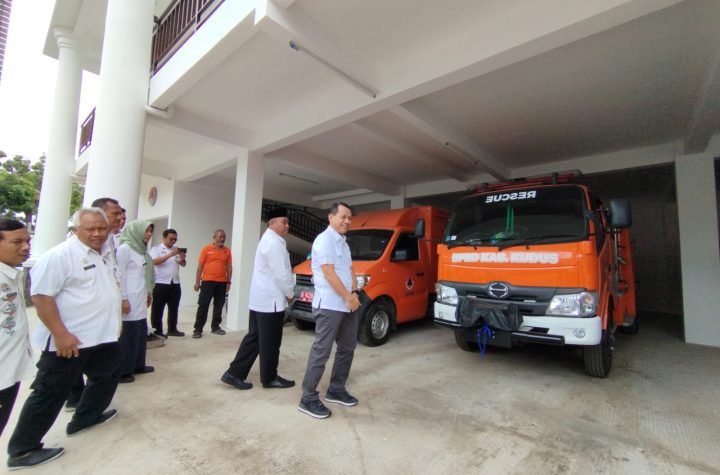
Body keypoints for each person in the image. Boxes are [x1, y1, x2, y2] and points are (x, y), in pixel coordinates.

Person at [6, 208, 123, 470]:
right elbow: (41, 297)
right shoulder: (60, 255)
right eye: (90, 229)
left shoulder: (102, 253)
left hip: (103, 336)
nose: (96, 234)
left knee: (107, 375)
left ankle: (86, 417)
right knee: (50, 391)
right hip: (71, 339)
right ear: (76, 229)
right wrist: (61, 334)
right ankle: (22, 450)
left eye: (101, 228)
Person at [298, 202, 361, 419]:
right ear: (330, 217)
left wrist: (354, 293)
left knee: (347, 347)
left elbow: (350, 269)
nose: (347, 221)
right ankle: (307, 398)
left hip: (347, 304)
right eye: (343, 216)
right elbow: (329, 274)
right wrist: (347, 297)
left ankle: (336, 388)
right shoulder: (324, 241)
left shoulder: (344, 243)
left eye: (350, 218)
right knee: (321, 351)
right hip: (329, 305)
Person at [221, 208, 295, 391]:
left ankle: (234, 373)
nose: (287, 225)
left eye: (287, 222)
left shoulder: (270, 240)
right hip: (270, 301)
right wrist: (290, 293)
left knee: (255, 337)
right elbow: (281, 274)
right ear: (271, 223)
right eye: (283, 221)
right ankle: (269, 378)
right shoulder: (274, 243)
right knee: (270, 341)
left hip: (261, 299)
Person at [0, 220, 34, 438]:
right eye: (17, 242)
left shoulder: (11, 274)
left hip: (9, 371)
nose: (25, 247)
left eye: (28, 241)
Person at [117, 220, 156, 383]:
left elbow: (144, 275)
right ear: (137, 231)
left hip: (140, 297)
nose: (149, 234)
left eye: (150, 231)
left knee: (140, 333)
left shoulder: (141, 251)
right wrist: (123, 298)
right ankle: (124, 370)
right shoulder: (125, 249)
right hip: (129, 298)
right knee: (129, 335)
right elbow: (119, 275)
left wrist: (148, 293)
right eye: (146, 231)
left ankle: (138, 364)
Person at [193, 229, 232, 338]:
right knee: (203, 305)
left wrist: (229, 281)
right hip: (207, 282)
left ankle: (215, 327)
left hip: (222, 282)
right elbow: (200, 266)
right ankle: (197, 329)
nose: (222, 239)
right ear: (214, 237)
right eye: (220, 237)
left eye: (224, 237)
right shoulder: (206, 249)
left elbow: (229, 267)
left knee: (219, 306)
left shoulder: (227, 251)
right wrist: (197, 282)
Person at [149, 229, 187, 337]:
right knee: (158, 308)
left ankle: (172, 329)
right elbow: (153, 262)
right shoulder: (156, 249)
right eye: (171, 239)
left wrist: (182, 259)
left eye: (175, 239)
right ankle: (157, 331)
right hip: (161, 283)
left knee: (174, 308)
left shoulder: (176, 250)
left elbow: (183, 264)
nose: (173, 241)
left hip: (175, 283)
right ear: (164, 238)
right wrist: (170, 255)